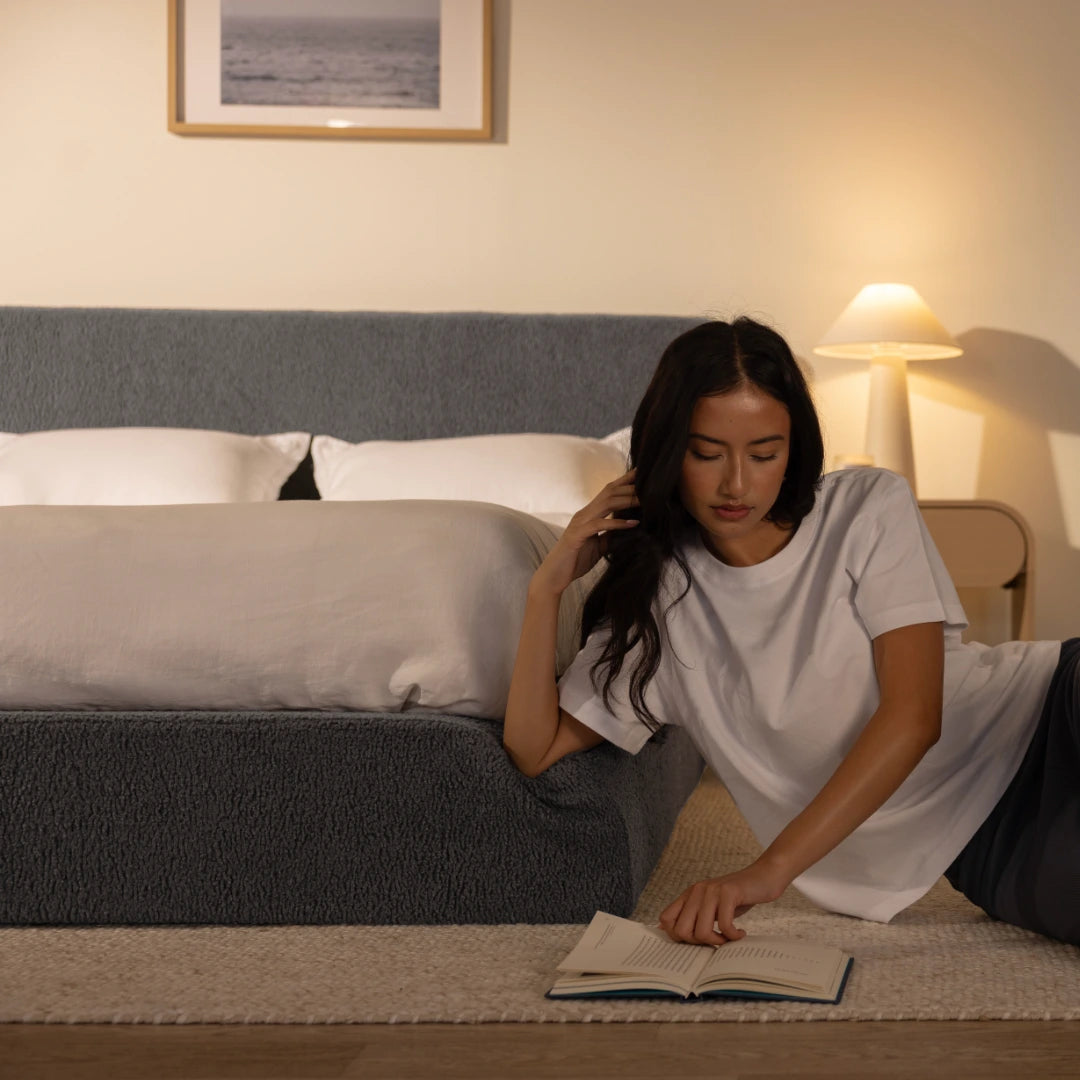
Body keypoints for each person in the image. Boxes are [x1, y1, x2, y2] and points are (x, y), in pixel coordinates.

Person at [502, 317, 1079, 948]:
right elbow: (535, 747)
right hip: (989, 846)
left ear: (793, 448)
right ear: (667, 452)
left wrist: (765, 874)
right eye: (706, 453)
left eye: (763, 453)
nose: (736, 484)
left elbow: (914, 717)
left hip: (1046, 712)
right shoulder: (656, 609)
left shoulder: (864, 507)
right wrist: (546, 588)